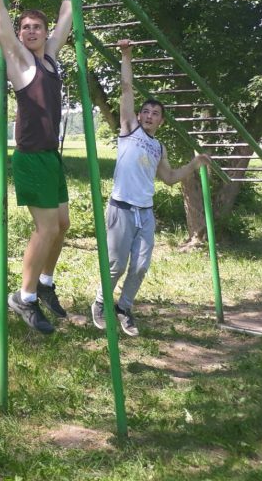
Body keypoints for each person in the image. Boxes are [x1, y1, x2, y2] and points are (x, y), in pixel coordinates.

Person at [0, 0, 88, 334]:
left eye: (37, 27)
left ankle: (44, 283)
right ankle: (23, 297)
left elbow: (68, 13)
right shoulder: (20, 62)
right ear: (20, 34)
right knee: (45, 229)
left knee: (62, 224)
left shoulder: (51, 59)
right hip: (31, 158)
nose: (30, 32)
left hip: (51, 158)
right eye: (25, 27)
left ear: (45, 32)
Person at [90, 39, 210, 337]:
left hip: (145, 213)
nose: (148, 115)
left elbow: (169, 177)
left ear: (161, 121)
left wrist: (194, 164)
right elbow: (126, 90)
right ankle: (101, 302)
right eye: (145, 111)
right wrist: (126, 55)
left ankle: (124, 308)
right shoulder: (129, 129)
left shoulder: (159, 147)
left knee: (141, 266)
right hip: (121, 209)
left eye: (155, 113)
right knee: (116, 265)